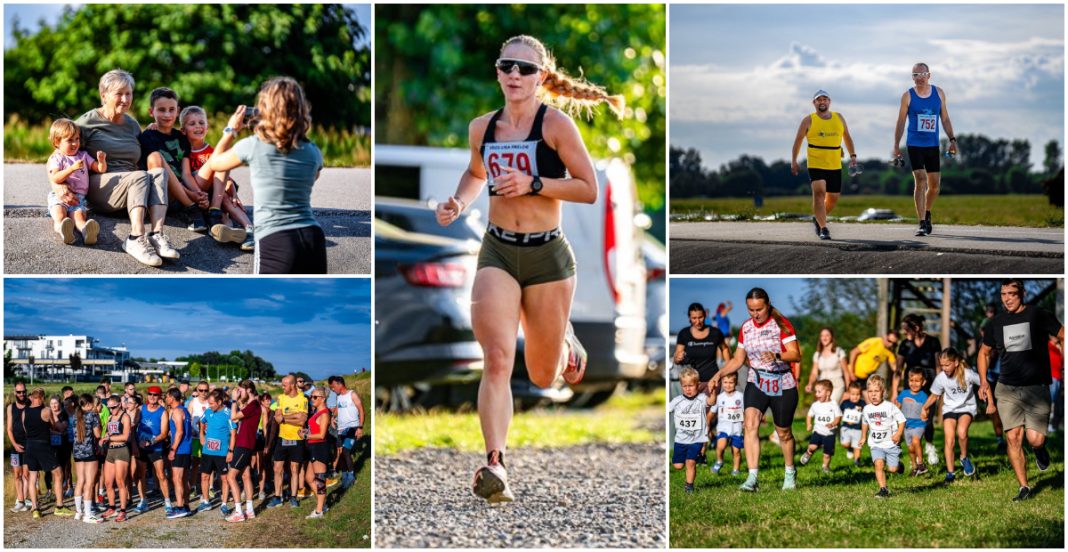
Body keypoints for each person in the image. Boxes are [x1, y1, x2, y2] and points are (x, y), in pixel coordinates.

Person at [435, 35, 621, 504]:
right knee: (497, 357)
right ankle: (495, 463)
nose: (515, 74)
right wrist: (458, 201)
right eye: (507, 66)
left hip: (548, 257)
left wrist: (535, 182)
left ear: (541, 77)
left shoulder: (555, 125)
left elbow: (588, 188)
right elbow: (476, 174)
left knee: (542, 376)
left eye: (525, 68)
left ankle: (563, 341)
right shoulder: (483, 127)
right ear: (497, 73)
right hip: (497, 251)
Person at [205, 77, 326, 273]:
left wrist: (231, 130)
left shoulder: (254, 145)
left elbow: (214, 163)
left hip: (276, 237)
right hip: (313, 237)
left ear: (264, 109)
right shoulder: (313, 151)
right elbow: (313, 178)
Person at [76, 69, 175, 267]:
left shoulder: (132, 124)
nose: (125, 99)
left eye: (128, 93)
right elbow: (59, 154)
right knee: (139, 176)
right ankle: (135, 238)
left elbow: (144, 155)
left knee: (158, 172)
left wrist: (153, 132)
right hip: (101, 185)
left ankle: (156, 234)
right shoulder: (87, 122)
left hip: (132, 187)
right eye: (119, 93)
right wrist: (59, 187)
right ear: (104, 96)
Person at [977, 279, 1064, 501]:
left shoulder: (1038, 315)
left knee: (1035, 439)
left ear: (1022, 293)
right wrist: (984, 381)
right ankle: (1024, 487)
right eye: (1003, 294)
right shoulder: (994, 323)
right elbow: (983, 352)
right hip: (1007, 389)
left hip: (1036, 388)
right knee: (1014, 438)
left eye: (1012, 294)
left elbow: (1063, 335)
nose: (1007, 298)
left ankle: (1038, 450)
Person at [710, 287, 802, 492]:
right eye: (751, 310)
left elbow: (795, 355)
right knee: (750, 425)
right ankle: (752, 478)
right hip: (757, 380)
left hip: (782, 383)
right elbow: (738, 359)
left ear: (767, 306)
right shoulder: (746, 328)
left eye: (759, 309)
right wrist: (719, 374)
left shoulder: (782, 324)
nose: (755, 314)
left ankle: (789, 473)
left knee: (784, 433)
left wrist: (777, 355)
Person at [892, 63, 958, 236]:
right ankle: (921, 222)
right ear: (912, 77)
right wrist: (896, 145)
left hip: (933, 145)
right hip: (914, 144)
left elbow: (945, 118)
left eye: (922, 74)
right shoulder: (908, 96)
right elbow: (900, 122)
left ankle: (927, 212)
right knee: (920, 180)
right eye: (915, 74)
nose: (919, 77)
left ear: (929, 75)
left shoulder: (939, 93)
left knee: (934, 186)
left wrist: (952, 139)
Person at [138, 86, 213, 234]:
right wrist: (191, 196)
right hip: (162, 192)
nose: (167, 114)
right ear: (151, 111)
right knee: (156, 157)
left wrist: (198, 193)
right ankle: (191, 208)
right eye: (161, 110)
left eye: (171, 110)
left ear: (178, 111)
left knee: (212, 162)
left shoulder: (181, 138)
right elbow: (155, 169)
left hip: (183, 192)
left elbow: (186, 173)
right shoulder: (147, 136)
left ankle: (212, 211)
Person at [180, 105, 254, 250]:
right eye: (192, 123)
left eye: (202, 123)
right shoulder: (184, 150)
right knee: (218, 163)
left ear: (207, 128)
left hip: (215, 195)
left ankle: (248, 230)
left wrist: (232, 191)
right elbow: (186, 175)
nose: (198, 126)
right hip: (196, 190)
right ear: (183, 130)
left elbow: (225, 177)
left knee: (228, 199)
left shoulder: (211, 151)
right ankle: (222, 221)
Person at [790, 89, 858, 240]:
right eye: (819, 100)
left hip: (834, 163)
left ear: (829, 102)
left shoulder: (838, 117)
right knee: (820, 192)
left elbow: (847, 137)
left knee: (833, 198)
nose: (822, 102)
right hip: (816, 162)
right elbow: (798, 141)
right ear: (814, 103)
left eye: (825, 99)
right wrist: (794, 161)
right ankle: (823, 228)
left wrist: (853, 155)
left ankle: (818, 218)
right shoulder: (808, 120)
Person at [921, 347, 982, 483]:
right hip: (949, 409)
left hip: (966, 408)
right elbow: (934, 395)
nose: (944, 368)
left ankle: (964, 457)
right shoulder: (941, 378)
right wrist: (924, 408)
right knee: (949, 440)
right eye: (942, 365)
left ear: (955, 362)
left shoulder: (968, 374)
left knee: (961, 433)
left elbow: (983, 382)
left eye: (947, 365)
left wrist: (985, 393)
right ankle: (950, 473)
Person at [46, 118, 106, 245]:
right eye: (69, 140)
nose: (75, 143)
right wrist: (71, 169)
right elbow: (55, 178)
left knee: (79, 218)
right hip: (59, 196)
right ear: (57, 142)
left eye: (77, 139)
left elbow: (99, 169)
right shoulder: (57, 158)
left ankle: (87, 233)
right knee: (60, 215)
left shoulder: (83, 155)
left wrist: (101, 161)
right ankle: (63, 230)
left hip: (78, 197)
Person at [893, 313, 942, 466]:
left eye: (906, 329)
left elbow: (938, 366)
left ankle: (929, 446)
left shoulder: (933, 342)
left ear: (916, 328)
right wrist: (895, 391)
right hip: (911, 388)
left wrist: (940, 389)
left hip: (930, 386)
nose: (904, 333)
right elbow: (898, 370)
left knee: (926, 419)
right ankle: (914, 456)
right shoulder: (904, 345)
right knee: (910, 420)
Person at [22, 389, 70, 518]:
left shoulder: (24, 412)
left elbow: (26, 430)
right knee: (58, 473)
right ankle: (59, 506)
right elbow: (55, 426)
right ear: (42, 398)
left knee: (33, 477)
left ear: (32, 397)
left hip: (30, 446)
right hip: (43, 446)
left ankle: (35, 509)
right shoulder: (46, 411)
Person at [669, 367, 715, 493]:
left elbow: (711, 401)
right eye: (685, 386)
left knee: (690, 463)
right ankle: (690, 456)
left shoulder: (701, 399)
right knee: (678, 466)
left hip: (697, 439)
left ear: (698, 385)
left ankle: (689, 486)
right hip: (681, 439)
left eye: (691, 385)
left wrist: (713, 391)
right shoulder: (677, 401)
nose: (688, 389)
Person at [860, 376, 906, 498]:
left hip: (891, 443)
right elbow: (865, 422)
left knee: (892, 469)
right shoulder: (867, 409)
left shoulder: (889, 406)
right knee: (878, 464)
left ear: (883, 392)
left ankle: (899, 466)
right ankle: (883, 489)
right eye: (870, 391)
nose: (873, 395)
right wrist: (864, 436)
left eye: (876, 391)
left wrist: (898, 434)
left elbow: (902, 420)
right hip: (876, 444)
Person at [267, 375, 308, 508]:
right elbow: (278, 418)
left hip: (297, 438)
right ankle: (278, 496)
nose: (282, 387)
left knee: (294, 469)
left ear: (292, 385)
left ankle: (293, 496)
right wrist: (293, 416)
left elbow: (302, 421)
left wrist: (285, 418)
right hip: (282, 438)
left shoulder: (303, 399)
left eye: (284, 385)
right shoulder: (280, 398)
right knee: (277, 468)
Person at [674, 302, 731, 394]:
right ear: (689, 318)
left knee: (708, 407)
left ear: (705, 315)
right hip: (690, 383)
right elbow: (677, 358)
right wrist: (677, 358)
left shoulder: (715, 333)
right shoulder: (684, 334)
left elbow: (724, 349)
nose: (698, 321)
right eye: (694, 318)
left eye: (700, 317)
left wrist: (728, 368)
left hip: (712, 380)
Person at [226, 380, 262, 522]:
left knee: (231, 477)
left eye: (241, 390)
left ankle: (239, 512)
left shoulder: (253, 405)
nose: (239, 393)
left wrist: (234, 400)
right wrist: (240, 400)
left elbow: (233, 417)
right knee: (246, 476)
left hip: (244, 445)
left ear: (248, 390)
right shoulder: (251, 405)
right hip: (246, 443)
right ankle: (250, 510)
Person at [196, 389, 235, 515]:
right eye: (209, 403)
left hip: (222, 452)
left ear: (219, 402)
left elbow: (233, 434)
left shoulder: (228, 413)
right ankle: (206, 501)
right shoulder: (207, 412)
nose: (210, 405)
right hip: (207, 451)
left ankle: (223, 504)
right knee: (204, 476)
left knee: (224, 478)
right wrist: (201, 435)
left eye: (212, 403)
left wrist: (231, 451)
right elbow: (201, 423)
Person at [134, 385, 171, 515]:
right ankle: (143, 501)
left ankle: (167, 502)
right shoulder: (141, 408)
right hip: (142, 447)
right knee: (140, 475)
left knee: (161, 475)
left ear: (159, 396)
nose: (152, 397)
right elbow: (134, 424)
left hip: (155, 447)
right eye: (150, 394)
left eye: (155, 395)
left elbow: (164, 433)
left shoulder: (163, 412)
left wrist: (151, 442)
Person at [71, 394, 104, 523]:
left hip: (77, 452)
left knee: (80, 481)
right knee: (90, 483)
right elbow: (97, 434)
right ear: (90, 403)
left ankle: (78, 512)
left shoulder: (75, 416)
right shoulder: (93, 415)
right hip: (90, 452)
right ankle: (88, 514)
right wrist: (100, 424)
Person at [328, 375, 365, 488]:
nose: (333, 390)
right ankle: (344, 475)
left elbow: (361, 410)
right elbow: (338, 409)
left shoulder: (352, 394)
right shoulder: (339, 397)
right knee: (340, 453)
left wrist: (360, 427)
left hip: (352, 427)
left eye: (333, 387)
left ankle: (351, 476)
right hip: (341, 429)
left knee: (345, 451)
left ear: (339, 384)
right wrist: (332, 417)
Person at [800, 380, 842, 472]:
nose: (817, 394)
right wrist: (809, 424)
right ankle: (808, 453)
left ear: (828, 393)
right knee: (812, 447)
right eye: (816, 392)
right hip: (818, 432)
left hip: (829, 434)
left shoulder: (833, 404)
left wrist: (833, 423)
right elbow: (809, 415)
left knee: (827, 454)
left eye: (819, 392)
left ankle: (825, 466)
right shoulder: (815, 405)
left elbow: (838, 417)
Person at [894, 368, 929, 476]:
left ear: (923, 382)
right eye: (911, 380)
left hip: (919, 424)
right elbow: (897, 407)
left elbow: (926, 409)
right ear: (908, 381)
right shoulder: (904, 394)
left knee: (916, 441)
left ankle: (920, 464)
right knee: (910, 448)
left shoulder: (924, 396)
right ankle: (914, 467)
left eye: (917, 381)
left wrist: (925, 414)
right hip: (906, 426)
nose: (914, 383)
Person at [101, 394, 131, 521]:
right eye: (109, 408)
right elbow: (108, 432)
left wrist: (109, 438)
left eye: (113, 407)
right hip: (110, 451)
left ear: (119, 405)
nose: (111, 410)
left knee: (120, 482)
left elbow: (125, 436)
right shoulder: (109, 418)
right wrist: (106, 437)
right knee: (108, 482)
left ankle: (123, 510)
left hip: (121, 450)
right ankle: (112, 507)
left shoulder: (125, 417)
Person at [165, 388, 193, 518]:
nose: (166, 399)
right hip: (186, 448)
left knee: (176, 479)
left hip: (180, 449)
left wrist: (173, 449)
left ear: (171, 397)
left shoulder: (176, 411)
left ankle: (181, 507)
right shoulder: (185, 410)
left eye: (167, 396)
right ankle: (186, 505)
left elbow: (180, 432)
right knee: (184, 479)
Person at [709, 372, 744, 476]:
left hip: (737, 429)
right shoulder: (720, 398)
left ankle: (736, 470)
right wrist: (707, 424)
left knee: (736, 451)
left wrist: (746, 421)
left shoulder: (741, 397)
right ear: (722, 383)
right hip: (723, 428)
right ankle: (719, 461)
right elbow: (712, 412)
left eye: (730, 382)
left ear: (736, 383)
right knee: (721, 446)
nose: (728, 385)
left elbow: (746, 411)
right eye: (725, 382)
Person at [305, 390, 333, 518]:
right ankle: (323, 503)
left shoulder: (324, 413)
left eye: (315, 397)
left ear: (323, 398)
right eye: (311, 396)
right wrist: (306, 431)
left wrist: (306, 435)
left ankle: (319, 510)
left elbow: (321, 435)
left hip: (319, 447)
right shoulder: (317, 412)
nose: (312, 398)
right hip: (313, 447)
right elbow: (314, 429)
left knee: (320, 480)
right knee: (309, 478)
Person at [805, 327, 850, 403]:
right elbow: (814, 373)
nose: (824, 338)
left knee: (831, 408)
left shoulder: (839, 352)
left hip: (837, 386)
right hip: (822, 387)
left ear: (832, 337)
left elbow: (846, 372)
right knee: (821, 410)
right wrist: (810, 384)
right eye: (822, 336)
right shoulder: (817, 354)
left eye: (827, 335)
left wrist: (848, 391)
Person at [8, 383, 31, 513]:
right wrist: (15, 444)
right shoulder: (10, 407)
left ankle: (26, 498)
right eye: (19, 392)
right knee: (17, 474)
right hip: (15, 446)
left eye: (24, 392)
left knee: (27, 474)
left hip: (29, 445)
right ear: (15, 392)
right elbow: (9, 429)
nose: (22, 394)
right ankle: (20, 500)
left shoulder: (29, 406)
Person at [186, 381, 211, 499]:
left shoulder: (211, 402)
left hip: (209, 437)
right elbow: (187, 419)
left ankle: (210, 487)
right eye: (201, 390)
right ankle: (193, 486)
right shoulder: (193, 402)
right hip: (195, 437)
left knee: (209, 463)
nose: (203, 393)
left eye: (206, 390)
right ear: (197, 390)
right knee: (195, 463)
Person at [839, 381, 866, 466]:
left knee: (857, 446)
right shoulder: (845, 403)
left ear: (860, 394)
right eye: (853, 394)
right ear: (848, 394)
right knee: (845, 444)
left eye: (857, 394)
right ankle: (850, 449)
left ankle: (857, 461)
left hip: (858, 429)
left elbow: (866, 415)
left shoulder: (862, 404)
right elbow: (839, 412)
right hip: (846, 428)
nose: (855, 397)